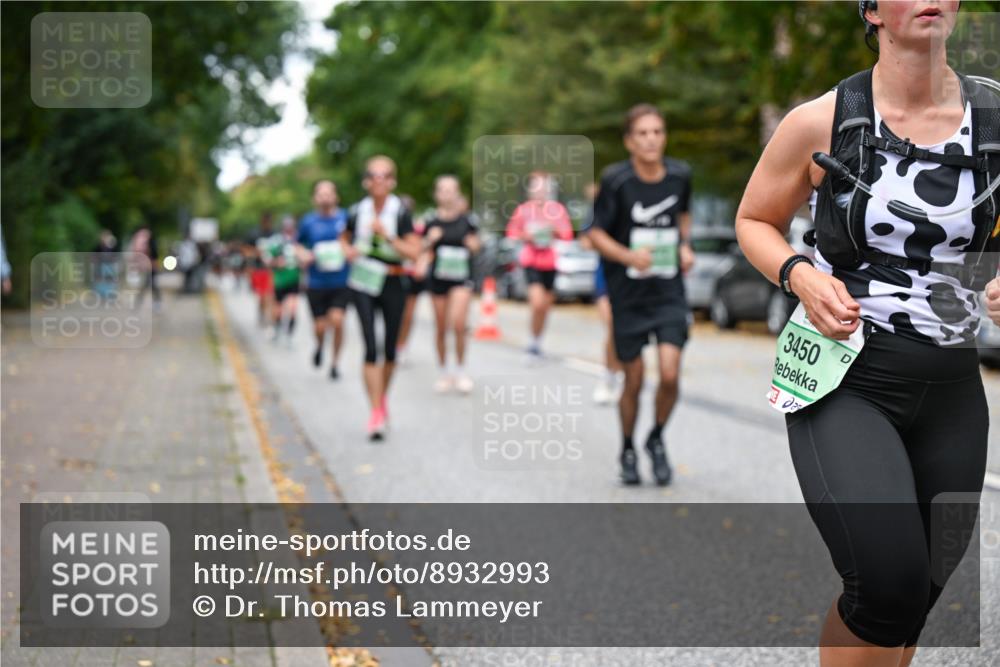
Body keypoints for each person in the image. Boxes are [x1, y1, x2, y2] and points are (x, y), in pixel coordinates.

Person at [734, 2, 999, 664]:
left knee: (914, 600)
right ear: (874, 10)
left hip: (952, 388)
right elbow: (754, 220)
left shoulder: (994, 118)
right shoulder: (822, 120)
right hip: (845, 377)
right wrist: (799, 274)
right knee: (886, 583)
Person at [585, 104, 695, 486]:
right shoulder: (616, 181)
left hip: (668, 292)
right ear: (630, 141)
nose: (651, 139)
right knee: (633, 380)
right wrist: (628, 256)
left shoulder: (680, 175)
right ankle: (628, 446)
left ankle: (656, 438)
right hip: (628, 293)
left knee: (669, 373)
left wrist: (684, 247)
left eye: (657, 132)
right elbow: (594, 234)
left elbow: (683, 215)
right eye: (643, 133)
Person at [341, 156, 421, 440]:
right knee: (370, 347)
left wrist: (387, 237)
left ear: (393, 181)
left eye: (385, 175)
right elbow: (344, 238)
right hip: (362, 281)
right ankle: (376, 411)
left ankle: (381, 399)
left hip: (392, 280)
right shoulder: (355, 211)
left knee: (389, 350)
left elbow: (414, 252)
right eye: (374, 175)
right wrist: (348, 250)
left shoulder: (400, 212)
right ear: (366, 181)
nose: (379, 180)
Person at [420, 175, 481, 394]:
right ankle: (444, 372)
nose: (447, 194)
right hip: (438, 279)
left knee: (459, 324)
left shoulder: (468, 220)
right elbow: (421, 249)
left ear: (457, 193)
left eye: (451, 189)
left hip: (461, 279)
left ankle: (461, 370)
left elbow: (477, 245)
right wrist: (429, 240)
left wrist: (472, 244)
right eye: (442, 190)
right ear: (437, 194)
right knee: (441, 327)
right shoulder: (431, 221)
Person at [505, 171, 574, 360]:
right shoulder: (523, 210)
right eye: (536, 188)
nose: (540, 192)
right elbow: (511, 233)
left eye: (544, 188)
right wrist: (526, 236)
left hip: (551, 262)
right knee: (537, 303)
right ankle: (532, 342)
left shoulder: (557, 210)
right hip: (531, 261)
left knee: (545, 306)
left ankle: (537, 341)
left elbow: (568, 235)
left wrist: (555, 230)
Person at [297, 179, 351, 379]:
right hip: (316, 283)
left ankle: (335, 363)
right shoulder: (308, 221)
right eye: (321, 194)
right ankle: (320, 345)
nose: (325, 197)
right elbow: (297, 244)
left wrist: (351, 251)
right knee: (320, 326)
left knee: (337, 321)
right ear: (315, 198)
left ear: (336, 196)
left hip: (341, 281)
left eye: (329, 193)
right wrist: (303, 254)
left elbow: (357, 241)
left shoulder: (346, 218)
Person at [580, 182, 621, 405]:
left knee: (627, 330)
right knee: (613, 326)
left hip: (636, 278)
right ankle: (609, 376)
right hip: (606, 276)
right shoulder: (600, 214)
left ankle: (622, 371)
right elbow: (586, 241)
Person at [395, 193, 425, 365]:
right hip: (395, 274)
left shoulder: (418, 229)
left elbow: (422, 250)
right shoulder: (389, 228)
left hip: (412, 276)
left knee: (408, 314)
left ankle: (402, 345)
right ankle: (392, 342)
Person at [263, 216, 301, 346]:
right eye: (287, 226)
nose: (289, 228)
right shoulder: (277, 242)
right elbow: (266, 258)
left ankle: (289, 334)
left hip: (294, 279)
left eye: (291, 226)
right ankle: (276, 328)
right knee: (278, 309)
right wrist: (275, 263)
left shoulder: (298, 240)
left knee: (292, 308)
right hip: (280, 280)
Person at [245, 211, 275, 327]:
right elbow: (245, 250)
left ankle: (270, 318)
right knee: (262, 295)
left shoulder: (274, 234)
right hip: (259, 269)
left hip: (271, 269)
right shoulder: (254, 234)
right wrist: (255, 253)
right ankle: (262, 314)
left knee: (270, 295)